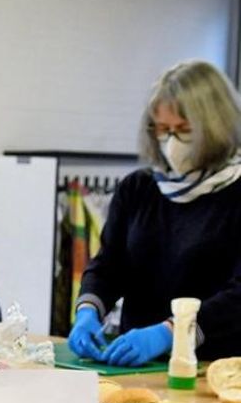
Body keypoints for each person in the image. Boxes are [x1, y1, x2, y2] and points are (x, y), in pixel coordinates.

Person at [69, 60, 241, 365]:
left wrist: (172, 332)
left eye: (184, 131)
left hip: (214, 367)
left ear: (216, 127)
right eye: (163, 130)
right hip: (136, 364)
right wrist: (88, 311)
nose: (171, 142)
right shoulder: (139, 189)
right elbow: (109, 265)